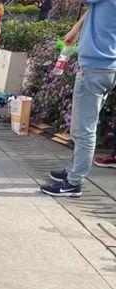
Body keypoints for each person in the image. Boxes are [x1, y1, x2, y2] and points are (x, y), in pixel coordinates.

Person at [40, 1, 116, 197]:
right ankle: (73, 172)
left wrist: (76, 29)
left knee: (83, 130)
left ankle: (73, 183)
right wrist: (76, 28)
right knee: (85, 126)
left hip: (94, 68)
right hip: (106, 68)